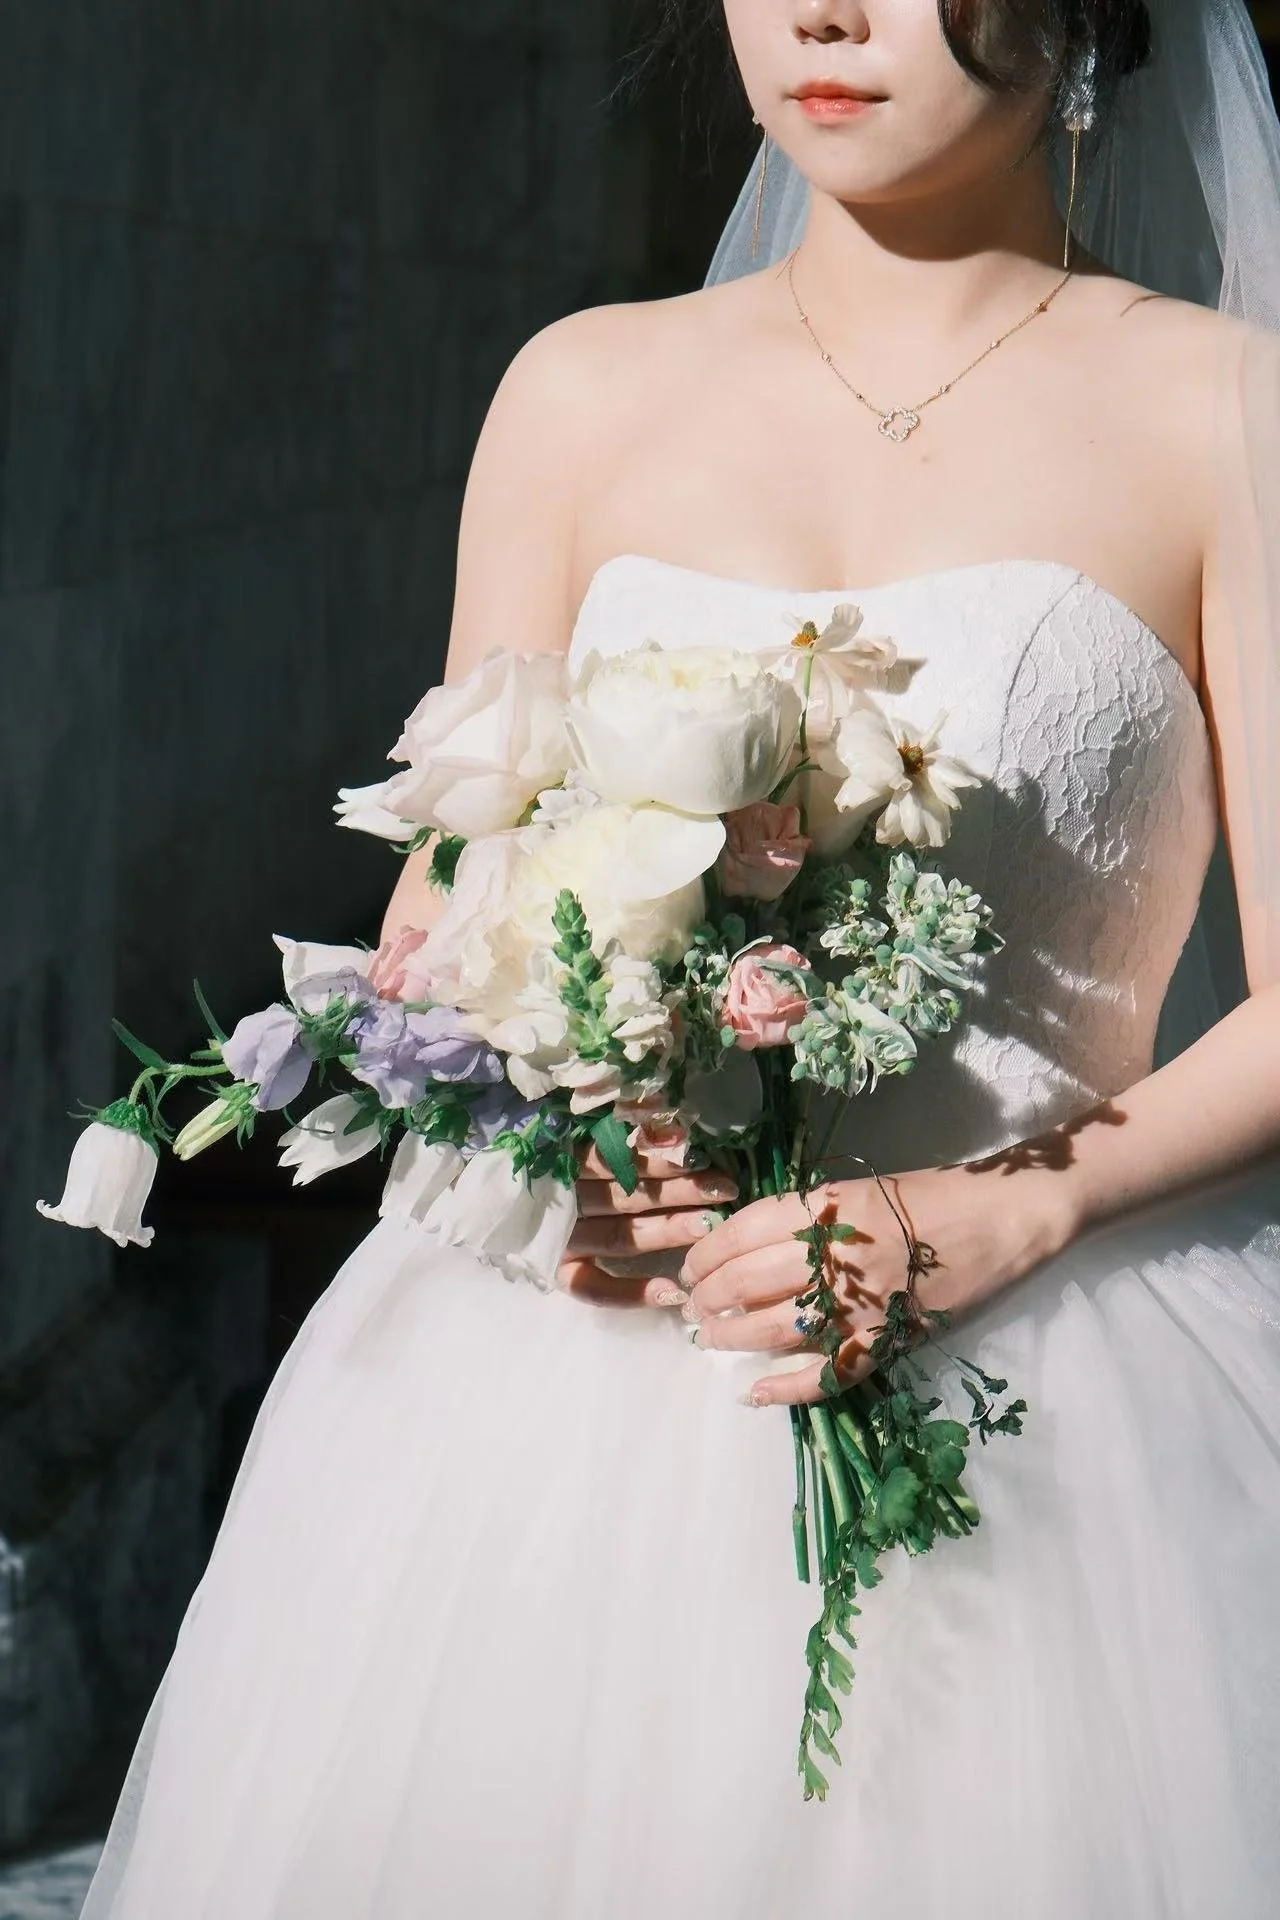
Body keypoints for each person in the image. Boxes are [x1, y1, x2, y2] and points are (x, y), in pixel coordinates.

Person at [80, 3, 1280, 1915]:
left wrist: (1006, 1214)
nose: (821, 11)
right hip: (557, 1390)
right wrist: (545, 1116)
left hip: (1048, 1384)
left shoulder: (1225, 412)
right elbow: (447, 891)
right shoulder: (579, 392)